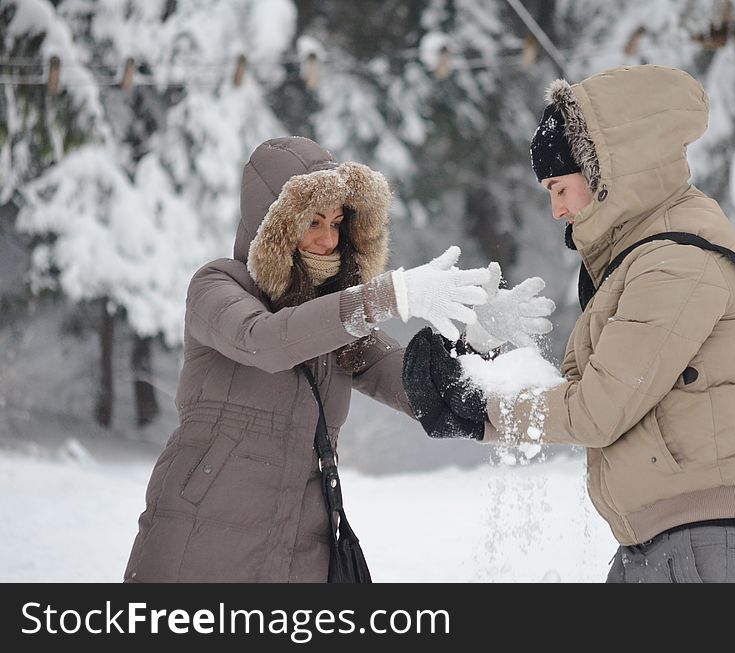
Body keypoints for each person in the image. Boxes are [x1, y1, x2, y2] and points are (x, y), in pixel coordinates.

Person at [402, 65, 735, 583]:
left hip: (714, 538)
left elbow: (597, 410)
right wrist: (488, 380)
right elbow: (586, 391)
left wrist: (482, 406)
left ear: (605, 172)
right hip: (676, 534)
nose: (557, 209)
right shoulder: (640, 258)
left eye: (560, 187)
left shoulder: (674, 262)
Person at [123, 136, 552, 582]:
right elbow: (266, 341)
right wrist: (387, 296)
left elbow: (411, 384)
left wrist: (477, 348)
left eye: (337, 222)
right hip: (198, 547)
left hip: (298, 552)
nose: (328, 239)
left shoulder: (337, 325)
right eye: (312, 222)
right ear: (273, 225)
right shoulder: (218, 287)